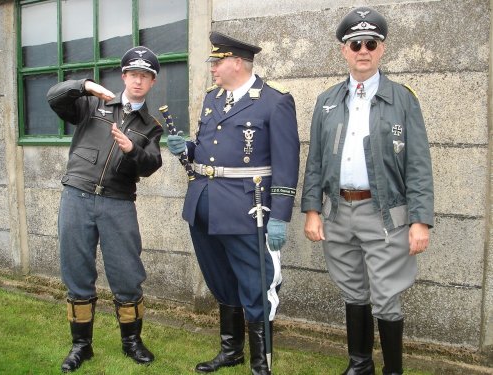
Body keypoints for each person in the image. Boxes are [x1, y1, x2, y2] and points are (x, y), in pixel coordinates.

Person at [301, 7, 434, 375]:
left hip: (384, 213)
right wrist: (312, 209)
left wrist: (420, 220)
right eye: (355, 43)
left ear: (382, 49)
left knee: (386, 295)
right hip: (338, 212)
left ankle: (392, 370)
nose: (363, 50)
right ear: (344, 51)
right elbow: (314, 161)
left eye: (370, 43)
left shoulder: (402, 98)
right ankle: (360, 364)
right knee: (352, 290)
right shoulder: (328, 100)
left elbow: (419, 164)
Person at [167, 31, 300, 374]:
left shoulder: (274, 101)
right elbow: (205, 151)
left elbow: (286, 165)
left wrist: (280, 217)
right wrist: (186, 149)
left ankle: (260, 362)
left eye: (217, 61)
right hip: (204, 205)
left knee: (256, 283)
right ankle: (231, 351)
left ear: (237, 63)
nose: (212, 68)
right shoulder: (213, 99)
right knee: (222, 280)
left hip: (247, 209)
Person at [47, 46, 163, 373]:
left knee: (128, 275)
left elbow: (152, 163)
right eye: (133, 74)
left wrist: (132, 149)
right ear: (124, 76)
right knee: (77, 272)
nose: (138, 81)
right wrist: (83, 85)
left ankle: (132, 343)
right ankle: (81, 346)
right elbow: (54, 98)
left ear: (152, 82)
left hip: (118, 202)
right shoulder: (93, 103)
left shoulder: (150, 125)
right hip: (78, 197)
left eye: (145, 76)